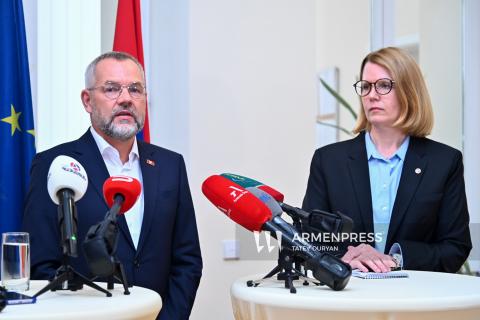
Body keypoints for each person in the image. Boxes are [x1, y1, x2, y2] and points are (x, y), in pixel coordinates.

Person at [22, 51, 202, 319]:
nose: (126, 98)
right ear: (87, 100)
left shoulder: (170, 165)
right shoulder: (55, 165)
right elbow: (42, 264)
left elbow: (187, 260)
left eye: (135, 89)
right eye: (112, 89)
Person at [302, 47, 471, 273]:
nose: (372, 95)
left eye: (383, 85)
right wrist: (344, 258)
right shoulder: (329, 161)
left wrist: (395, 259)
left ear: (409, 92)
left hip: (414, 299)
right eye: (365, 86)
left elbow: (455, 247)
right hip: (347, 297)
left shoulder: (444, 162)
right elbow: (308, 239)